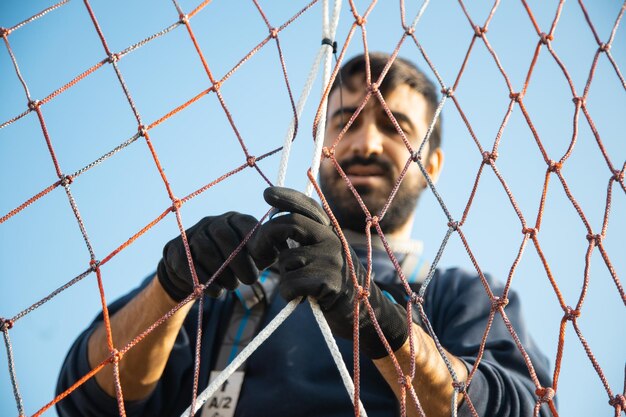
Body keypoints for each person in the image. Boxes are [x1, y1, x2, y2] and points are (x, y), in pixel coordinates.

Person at [56, 53, 552, 417]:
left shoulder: (461, 296)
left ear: (434, 164)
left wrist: (375, 317)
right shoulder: (234, 277)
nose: (366, 142)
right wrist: (174, 282)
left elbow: (514, 407)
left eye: (394, 124)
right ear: (321, 147)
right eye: (346, 122)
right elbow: (88, 399)